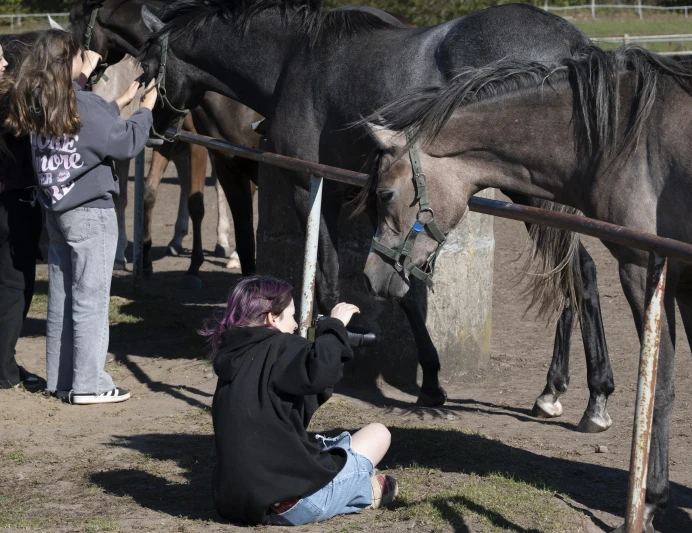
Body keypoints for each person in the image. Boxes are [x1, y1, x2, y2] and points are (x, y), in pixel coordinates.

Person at [6, 29, 157, 404]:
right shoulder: (84, 105)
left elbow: (89, 117)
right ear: (68, 63)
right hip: (91, 214)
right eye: (79, 57)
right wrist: (145, 109)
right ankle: (90, 383)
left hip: (57, 214)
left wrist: (120, 99)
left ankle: (62, 379)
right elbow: (126, 142)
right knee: (91, 298)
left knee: (61, 295)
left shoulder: (42, 101)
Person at [202, 275, 398, 526]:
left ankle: (354, 491)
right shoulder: (280, 345)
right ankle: (362, 491)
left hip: (235, 505)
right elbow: (321, 371)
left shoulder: (232, 356)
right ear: (272, 318)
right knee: (379, 433)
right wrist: (335, 325)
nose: (295, 325)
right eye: (292, 315)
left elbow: (302, 390)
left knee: (322, 446)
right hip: (293, 504)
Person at [0, 42, 45, 390]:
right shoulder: (13, 102)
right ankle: (4, 370)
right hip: (14, 203)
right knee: (15, 286)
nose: (3, 61)